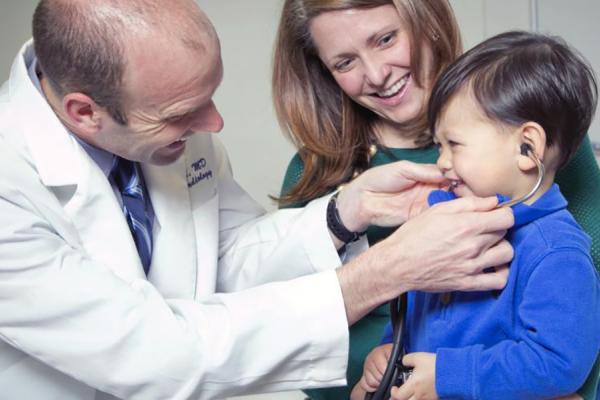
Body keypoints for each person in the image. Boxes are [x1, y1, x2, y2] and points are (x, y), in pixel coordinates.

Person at [0, 0, 515, 399]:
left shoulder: (162, 124)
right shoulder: (11, 190)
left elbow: (230, 256)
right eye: (182, 112)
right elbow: (156, 354)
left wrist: (344, 213)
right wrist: (383, 273)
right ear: (85, 112)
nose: (213, 125)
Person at [274, 1, 600, 399]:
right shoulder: (319, 172)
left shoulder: (550, 232)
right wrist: (387, 354)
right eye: (344, 63)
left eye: (386, 38)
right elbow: (288, 325)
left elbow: (564, 355)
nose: (376, 74)